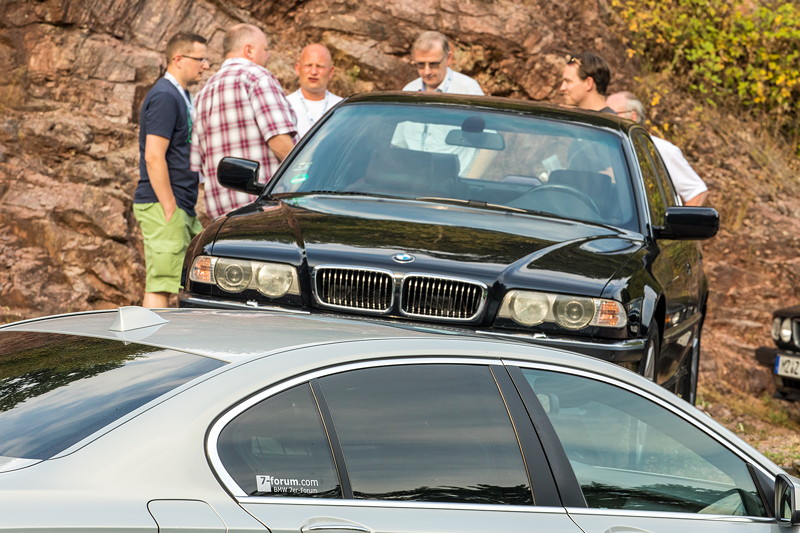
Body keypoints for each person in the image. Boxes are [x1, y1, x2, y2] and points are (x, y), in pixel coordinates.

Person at [133, 32, 209, 308]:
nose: (205, 65)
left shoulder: (182, 95)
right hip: (165, 204)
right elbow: (154, 156)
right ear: (178, 59)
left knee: (187, 280)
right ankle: (151, 351)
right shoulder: (165, 96)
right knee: (161, 285)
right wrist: (168, 205)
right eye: (200, 59)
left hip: (181, 205)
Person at [191, 23, 297, 220]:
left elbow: (198, 165)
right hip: (263, 206)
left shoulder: (202, 94)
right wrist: (308, 176)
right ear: (249, 50)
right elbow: (279, 140)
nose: (268, 56)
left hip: (221, 217)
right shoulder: (257, 77)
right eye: (265, 49)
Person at [607, 91, 709, 206]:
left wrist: (679, 224)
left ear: (633, 116)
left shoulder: (661, 149)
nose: (606, 117)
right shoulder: (597, 146)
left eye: (612, 113)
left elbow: (697, 192)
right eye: (603, 112)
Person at [286, 44, 343, 137]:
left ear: (331, 71)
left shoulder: (342, 107)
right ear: (297, 68)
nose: (313, 72)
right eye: (308, 65)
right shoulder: (285, 106)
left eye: (319, 66)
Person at [402, 31, 483, 95]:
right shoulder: (409, 90)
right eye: (420, 65)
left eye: (433, 64)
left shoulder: (468, 89)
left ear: (448, 59)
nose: (427, 72)